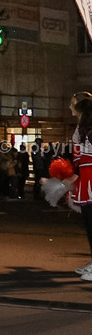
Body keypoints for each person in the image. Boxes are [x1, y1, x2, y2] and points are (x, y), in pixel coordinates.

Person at [68, 96, 92, 280]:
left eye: (73, 104)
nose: (70, 107)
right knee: (89, 224)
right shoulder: (82, 129)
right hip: (86, 177)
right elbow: (78, 156)